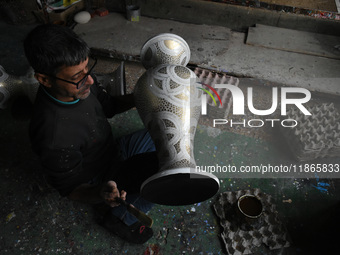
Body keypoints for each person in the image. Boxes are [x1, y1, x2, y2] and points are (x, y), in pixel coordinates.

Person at [23, 24, 159, 244]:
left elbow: (110, 107)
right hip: (99, 177)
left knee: (165, 135)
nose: (90, 80)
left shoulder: (80, 79)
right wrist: (101, 194)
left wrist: (142, 95)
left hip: (112, 150)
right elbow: (70, 190)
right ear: (44, 79)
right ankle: (117, 217)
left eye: (88, 68)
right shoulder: (53, 135)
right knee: (162, 179)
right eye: (78, 76)